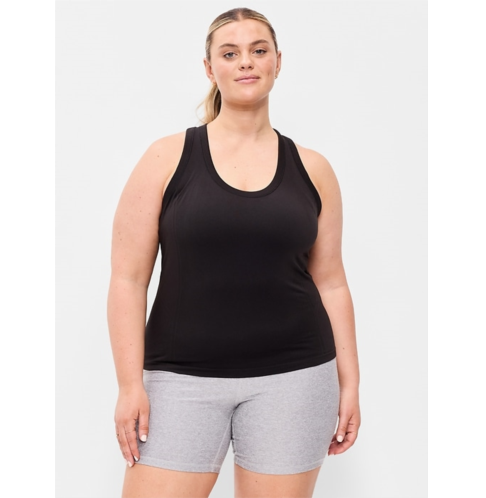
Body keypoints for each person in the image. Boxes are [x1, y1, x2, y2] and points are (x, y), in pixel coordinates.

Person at [107, 7, 361, 498]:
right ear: (210, 68)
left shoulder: (314, 169)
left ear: (277, 62)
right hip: (180, 381)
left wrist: (349, 383)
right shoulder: (165, 158)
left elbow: (331, 282)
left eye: (258, 50)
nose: (246, 62)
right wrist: (128, 385)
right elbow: (128, 280)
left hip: (296, 379)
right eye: (230, 53)